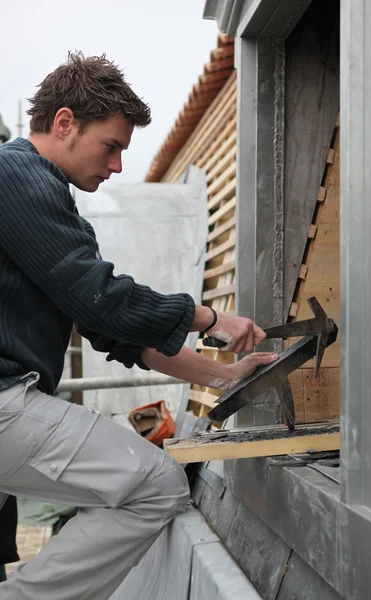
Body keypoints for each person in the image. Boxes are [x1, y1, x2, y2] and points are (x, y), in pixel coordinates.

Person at [0, 52, 278, 600]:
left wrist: (224, 376)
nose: (119, 166)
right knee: (155, 484)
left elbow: (119, 334)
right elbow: (99, 296)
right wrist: (211, 316)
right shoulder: (15, 175)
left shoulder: (47, 206)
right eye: (113, 146)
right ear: (64, 123)